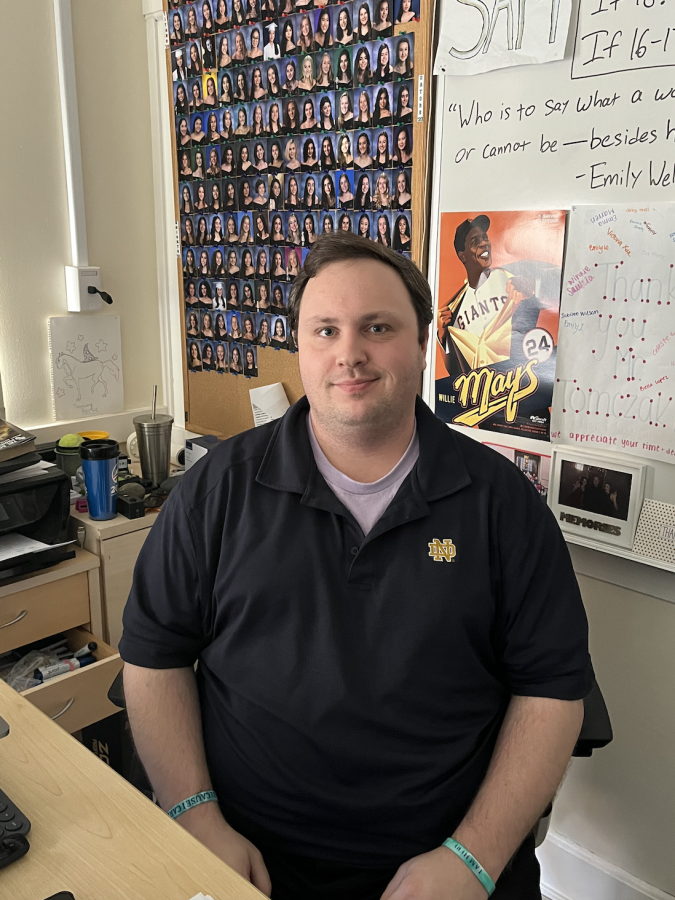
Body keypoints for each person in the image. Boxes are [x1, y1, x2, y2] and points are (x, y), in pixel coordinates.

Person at [123, 231, 591, 900]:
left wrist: (473, 858)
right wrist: (193, 815)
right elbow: (153, 654)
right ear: (300, 347)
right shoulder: (216, 489)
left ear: (422, 341)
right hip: (246, 855)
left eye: (377, 327)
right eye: (325, 330)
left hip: (446, 863)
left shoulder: (501, 504)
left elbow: (550, 690)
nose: (349, 353)